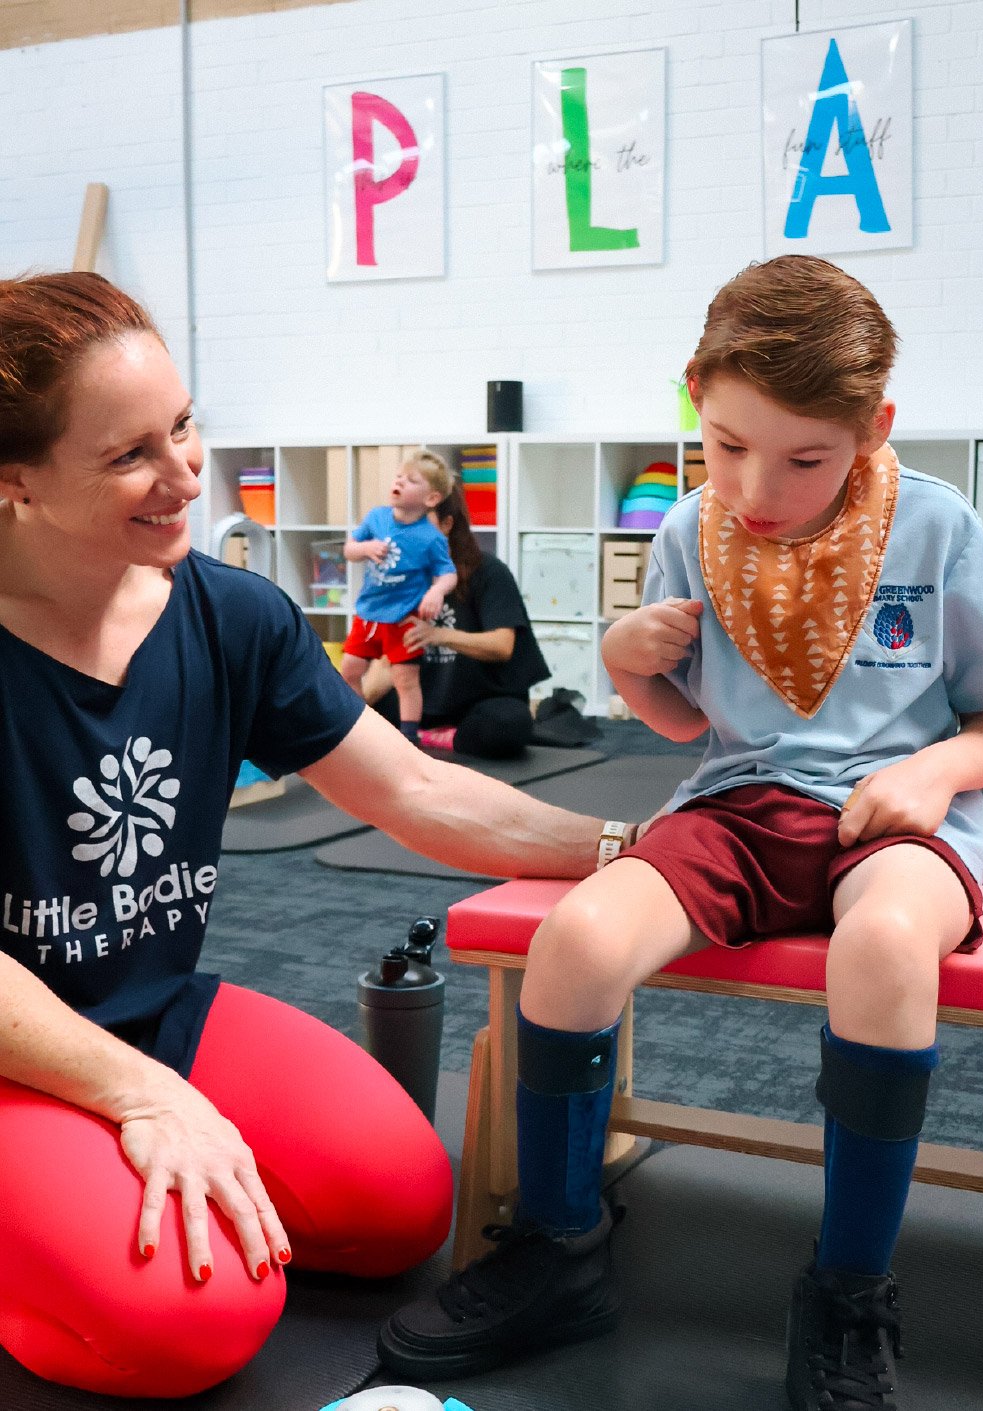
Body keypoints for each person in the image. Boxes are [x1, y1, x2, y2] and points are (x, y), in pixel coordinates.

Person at [378, 256, 983, 1409]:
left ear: (872, 426)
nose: (759, 485)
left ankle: (848, 1293)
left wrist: (934, 774)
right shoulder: (695, 530)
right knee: (578, 943)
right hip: (737, 808)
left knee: (886, 948)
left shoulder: (935, 526)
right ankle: (559, 1249)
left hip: (893, 824)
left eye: (805, 458)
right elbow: (689, 721)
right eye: (728, 444)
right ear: (695, 395)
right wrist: (622, 662)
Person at [0, 271, 640, 1400]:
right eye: (128, 455)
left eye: (185, 425)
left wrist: (628, 847)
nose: (186, 471)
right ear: (16, 483)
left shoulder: (228, 613)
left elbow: (414, 791)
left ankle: (88, 1193)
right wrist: (141, 1099)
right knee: (196, 1324)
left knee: (399, 1205)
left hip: (151, 1010)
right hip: (14, 1048)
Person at [365, 476, 549, 760]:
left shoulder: (488, 571)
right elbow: (384, 663)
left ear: (447, 525)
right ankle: (423, 733)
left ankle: (435, 738)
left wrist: (437, 635)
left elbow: (502, 646)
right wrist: (348, 709)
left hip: (480, 703)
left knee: (508, 724)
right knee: (360, 716)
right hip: (420, 702)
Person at [340, 449, 459, 743]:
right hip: (369, 613)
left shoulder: (431, 538)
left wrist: (436, 590)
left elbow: (448, 574)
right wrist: (365, 549)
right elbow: (349, 549)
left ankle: (409, 736)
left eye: (411, 480)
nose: (400, 482)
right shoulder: (377, 518)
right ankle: (360, 727)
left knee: (405, 679)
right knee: (350, 670)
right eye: (399, 477)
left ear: (431, 498)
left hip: (403, 618)